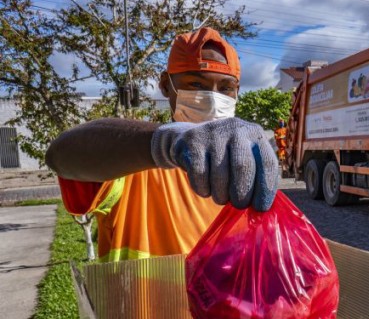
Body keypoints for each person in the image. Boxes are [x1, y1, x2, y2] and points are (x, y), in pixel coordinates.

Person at [46, 27, 279, 263]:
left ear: (237, 91)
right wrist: (169, 142)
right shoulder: (132, 162)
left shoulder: (244, 167)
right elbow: (60, 155)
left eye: (226, 88)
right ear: (166, 85)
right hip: (142, 299)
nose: (214, 97)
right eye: (196, 85)